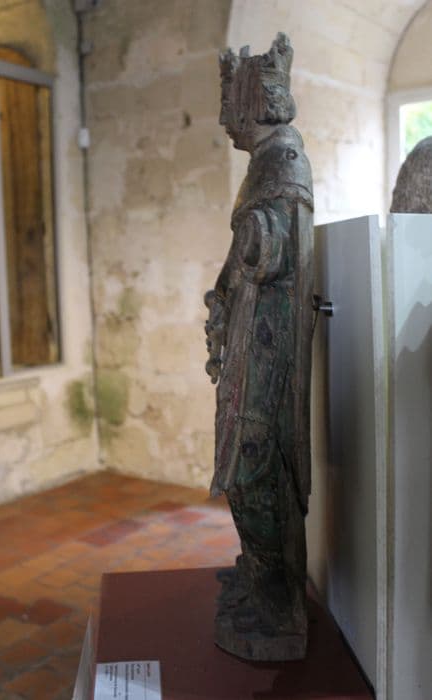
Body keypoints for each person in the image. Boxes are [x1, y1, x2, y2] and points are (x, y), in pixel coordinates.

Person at [204, 33, 314, 661]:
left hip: (268, 344)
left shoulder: (285, 162)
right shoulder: (265, 163)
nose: (226, 118)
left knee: (254, 465)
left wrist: (256, 243)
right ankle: (258, 570)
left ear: (255, 102)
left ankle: (277, 600)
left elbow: (276, 250)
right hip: (252, 331)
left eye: (231, 103)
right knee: (242, 465)